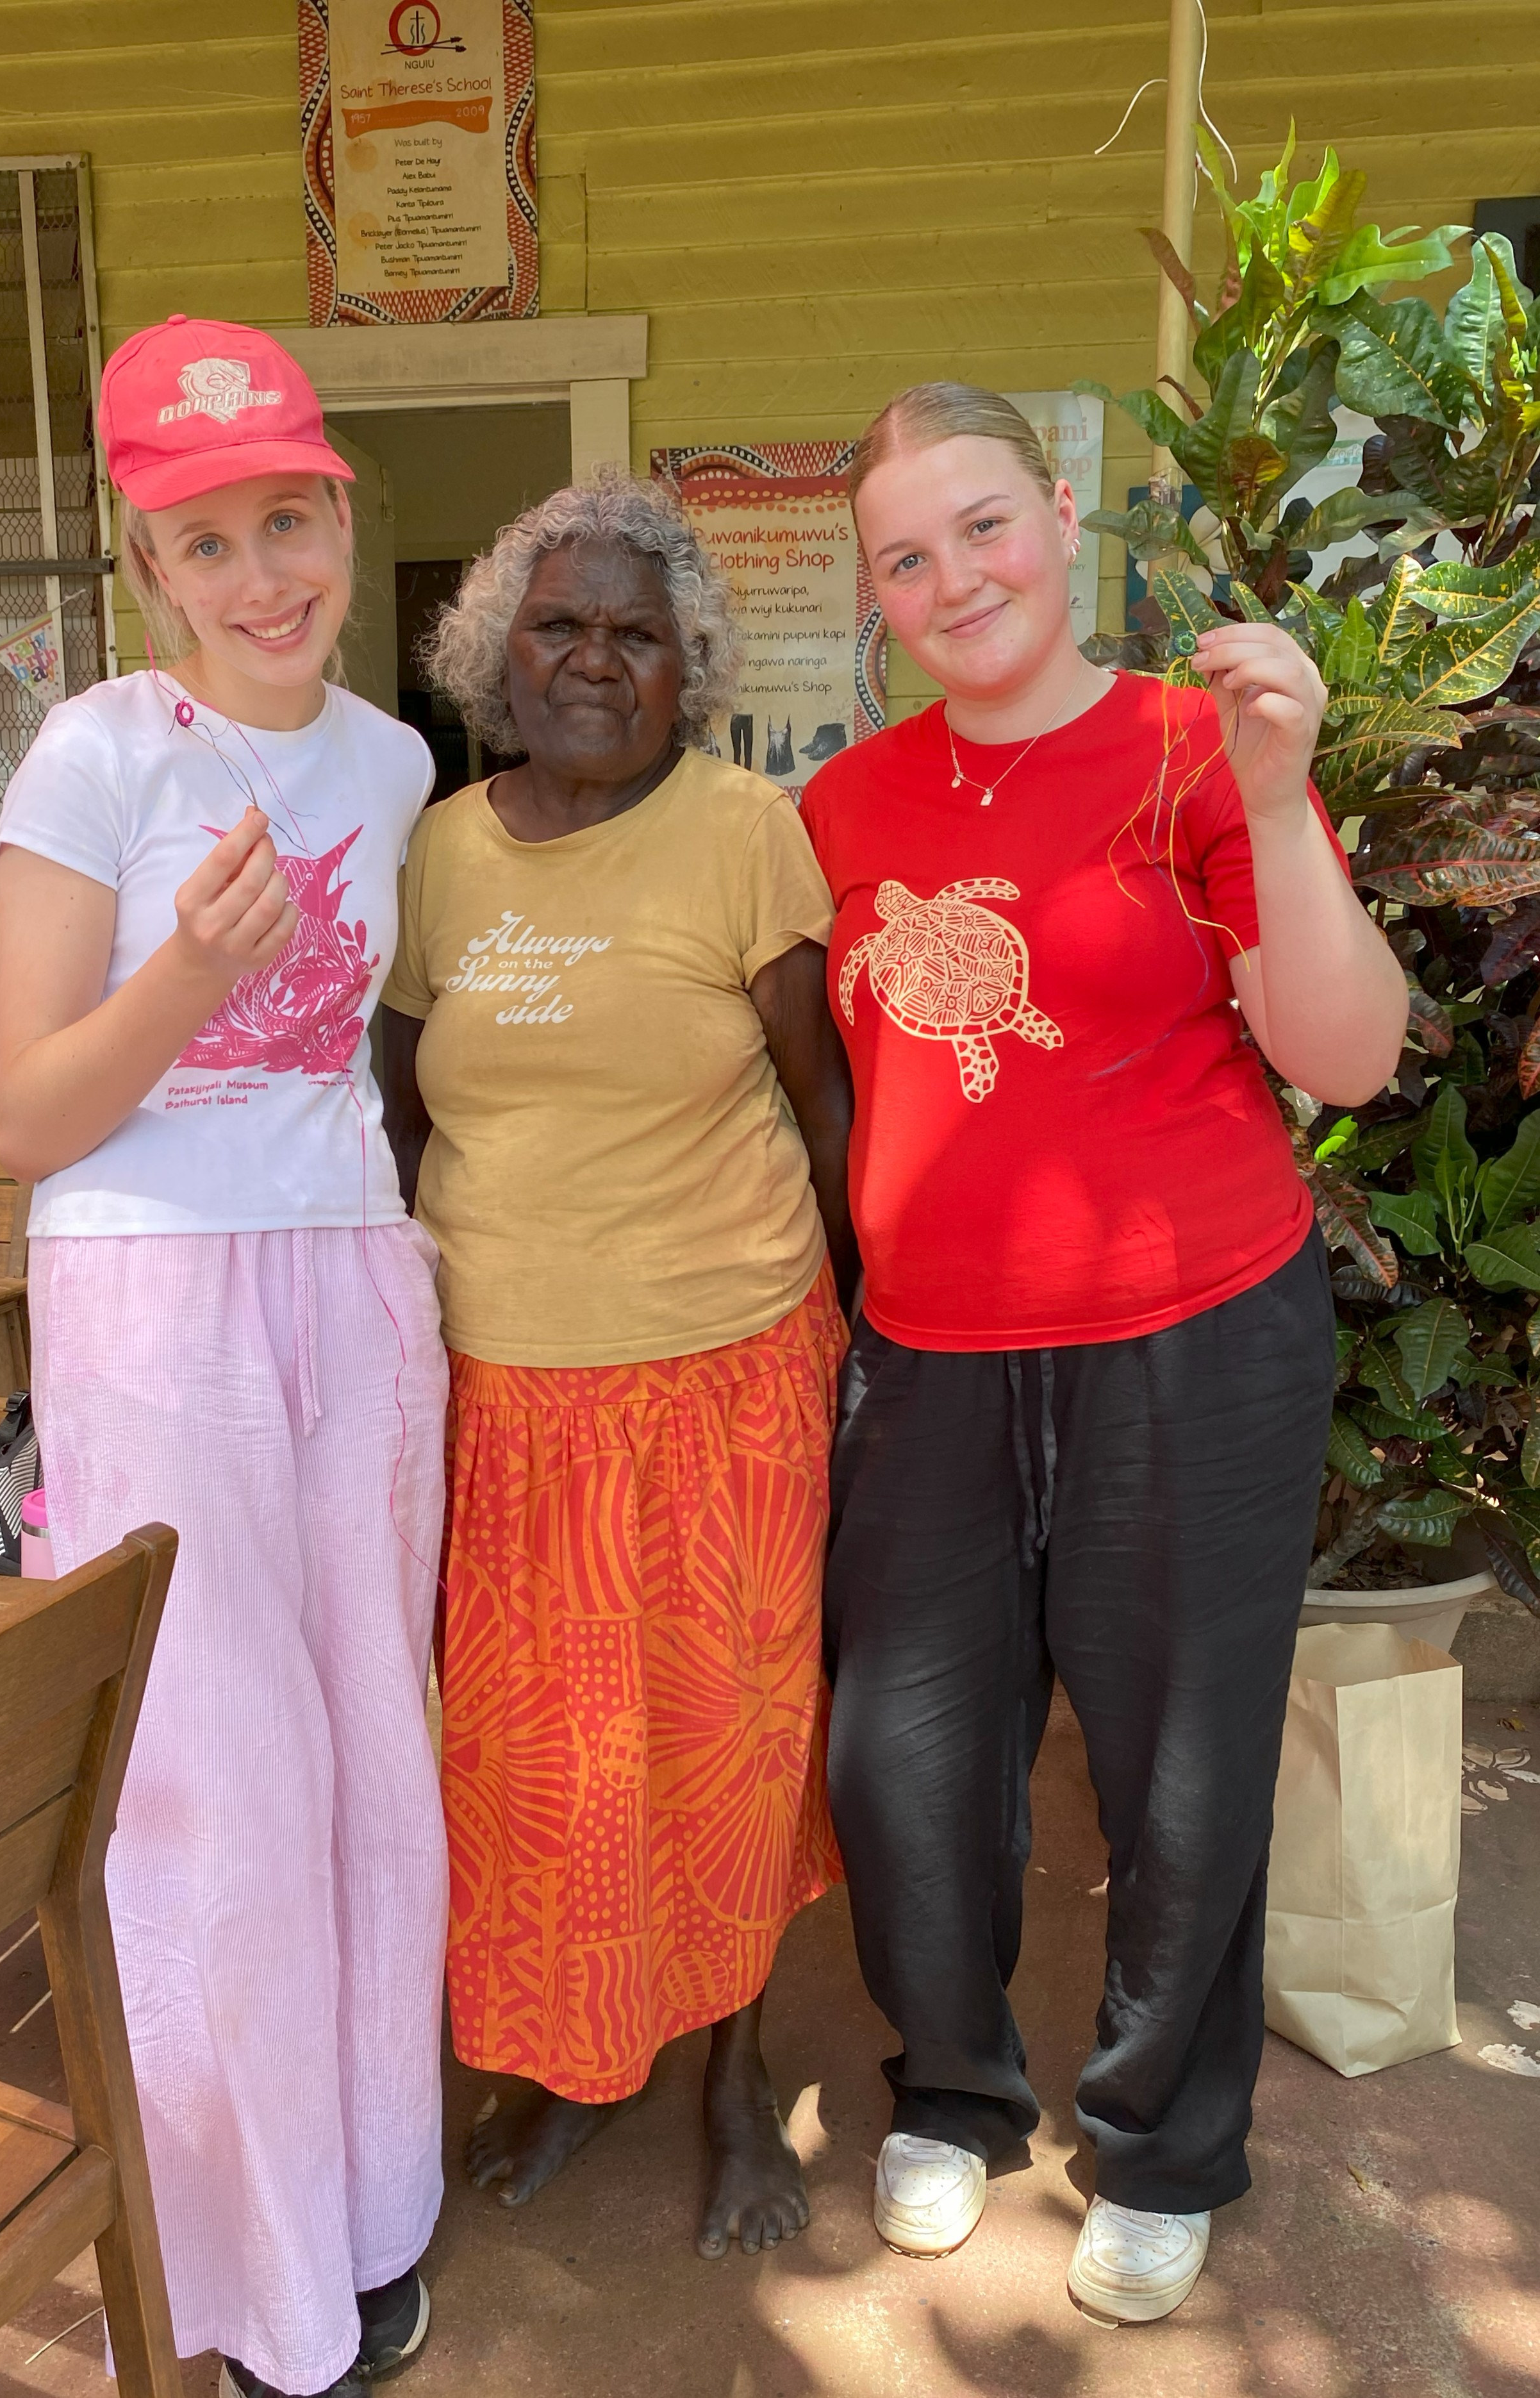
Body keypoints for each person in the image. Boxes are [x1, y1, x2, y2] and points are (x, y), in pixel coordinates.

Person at [800, 383, 1405, 2325]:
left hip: (1193, 1333)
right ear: (879, 594)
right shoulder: (845, 803)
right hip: (930, 1353)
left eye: (981, 526)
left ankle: (1159, 2138)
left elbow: (1345, 1056)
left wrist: (1285, 784)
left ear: (1056, 517)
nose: (953, 576)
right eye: (908, 554)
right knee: (901, 1756)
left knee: (1181, 1761)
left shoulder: (1190, 746)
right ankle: (956, 2094)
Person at [0, 316, 448, 2398]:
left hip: (354, 1273)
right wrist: (191, 965)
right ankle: (248, 2275)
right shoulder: (96, 755)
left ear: (341, 515)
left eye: (290, 518)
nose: (262, 574)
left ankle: (369, 2215)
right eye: (210, 538)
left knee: (370, 1758)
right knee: (213, 1784)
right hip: (152, 1288)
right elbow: (28, 1116)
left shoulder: (393, 759)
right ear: (147, 562)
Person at [379, 472, 857, 2260]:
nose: (597, 659)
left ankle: (730, 2071)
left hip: (726, 1373)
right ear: (503, 652)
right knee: (532, 1768)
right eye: (563, 624)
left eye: (637, 635)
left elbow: (822, 1107)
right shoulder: (441, 847)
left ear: (688, 670)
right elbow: (402, 1095)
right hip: (503, 1389)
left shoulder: (748, 831)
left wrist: (865, 1343)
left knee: (723, 1752)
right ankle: (581, 2058)